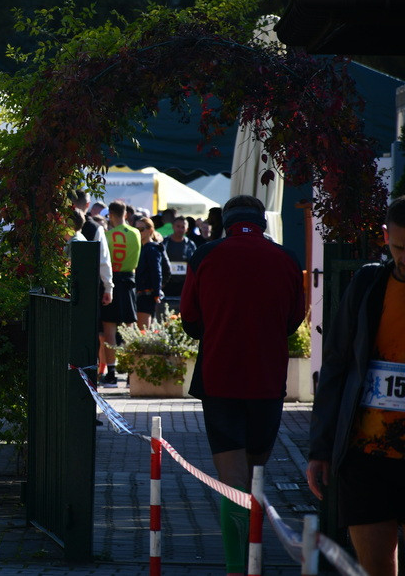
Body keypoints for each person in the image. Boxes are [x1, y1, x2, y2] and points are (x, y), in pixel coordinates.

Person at [181, 195, 305, 576]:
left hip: (220, 378)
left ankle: (239, 565)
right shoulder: (286, 259)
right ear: (262, 223)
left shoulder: (204, 256)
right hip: (267, 380)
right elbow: (293, 320)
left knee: (231, 478)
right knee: (255, 474)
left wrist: (217, 330)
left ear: (225, 222)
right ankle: (255, 558)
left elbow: (189, 320)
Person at [307, 196, 405, 576]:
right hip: (366, 457)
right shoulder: (368, 284)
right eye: (399, 248)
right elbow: (335, 365)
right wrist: (320, 448)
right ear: (385, 238)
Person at [100, 200, 140, 387]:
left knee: (110, 331)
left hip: (113, 281)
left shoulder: (107, 235)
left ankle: (112, 374)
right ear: (126, 214)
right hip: (130, 281)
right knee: (130, 329)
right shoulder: (136, 233)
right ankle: (133, 373)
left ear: (111, 214)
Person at [133, 216, 171, 328]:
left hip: (147, 294)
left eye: (141, 229)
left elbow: (158, 272)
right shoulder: (142, 247)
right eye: (136, 229)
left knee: (143, 331)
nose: (138, 232)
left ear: (150, 230)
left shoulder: (152, 248)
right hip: (142, 293)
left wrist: (156, 292)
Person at [162, 213, 196, 301]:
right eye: (178, 226)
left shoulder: (190, 245)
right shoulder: (164, 243)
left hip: (184, 285)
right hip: (166, 285)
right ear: (173, 227)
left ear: (187, 229)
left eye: (183, 227)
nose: (180, 229)